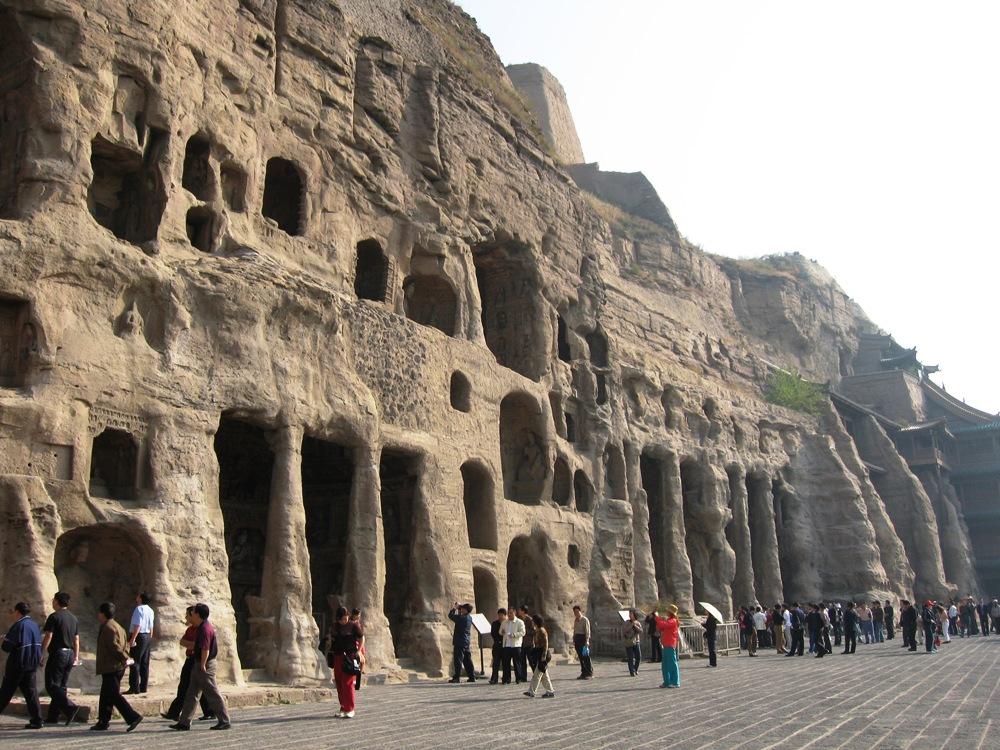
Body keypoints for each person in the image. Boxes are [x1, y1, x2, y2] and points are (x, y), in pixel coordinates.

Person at [170, 603, 232, 729]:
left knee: (212, 692)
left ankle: (224, 720)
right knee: (192, 693)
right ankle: (184, 722)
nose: (191, 614)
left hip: (205, 664)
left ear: (198, 614)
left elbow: (205, 649)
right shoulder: (201, 627)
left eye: (193, 612)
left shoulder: (205, 629)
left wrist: (203, 664)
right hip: (198, 663)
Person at [93, 602, 142, 732]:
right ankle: (103, 721)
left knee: (113, 694)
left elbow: (115, 647)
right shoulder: (118, 626)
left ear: (103, 613)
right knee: (106, 695)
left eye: (99, 612)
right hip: (114, 666)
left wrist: (125, 658)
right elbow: (125, 645)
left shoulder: (108, 628)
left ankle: (132, 717)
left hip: (112, 666)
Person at [161, 606, 213, 722]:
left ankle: (175, 713)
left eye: (188, 615)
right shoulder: (190, 630)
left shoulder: (202, 629)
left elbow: (201, 647)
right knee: (192, 686)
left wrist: (201, 661)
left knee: (193, 687)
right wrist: (193, 645)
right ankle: (208, 711)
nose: (186, 617)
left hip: (197, 660)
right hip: (190, 659)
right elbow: (183, 642)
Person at [0, 601, 43, 729]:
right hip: (32, 663)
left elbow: (7, 646)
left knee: (6, 692)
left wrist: (3, 640)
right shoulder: (34, 625)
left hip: (18, 663)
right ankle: (37, 720)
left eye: (14, 611)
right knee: (31, 692)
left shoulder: (19, 625)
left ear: (18, 612)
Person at [41, 592, 80, 725]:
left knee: (51, 685)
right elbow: (76, 640)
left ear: (57, 601)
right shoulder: (73, 618)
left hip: (58, 654)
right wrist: (76, 656)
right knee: (61, 686)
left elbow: (49, 636)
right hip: (70, 653)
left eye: (53, 600)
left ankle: (70, 707)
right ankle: (53, 716)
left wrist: (41, 652)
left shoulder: (54, 616)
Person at [126, 592, 154, 694]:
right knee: (145, 663)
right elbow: (151, 626)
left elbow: (137, 625)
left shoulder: (139, 609)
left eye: (138, 596)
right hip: (147, 636)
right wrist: (149, 638)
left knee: (135, 662)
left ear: (141, 598)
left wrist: (133, 639)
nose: (136, 597)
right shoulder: (150, 610)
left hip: (139, 636)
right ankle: (143, 687)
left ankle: (134, 688)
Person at [523, 614, 554, 698]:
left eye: (533, 621)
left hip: (543, 655)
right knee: (544, 675)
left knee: (537, 674)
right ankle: (550, 691)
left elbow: (545, 645)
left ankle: (532, 692)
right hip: (539, 654)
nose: (532, 622)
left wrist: (543, 657)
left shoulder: (542, 631)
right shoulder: (537, 630)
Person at [447, 603, 476, 683]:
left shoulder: (461, 618)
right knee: (467, 660)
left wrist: (454, 608)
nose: (461, 609)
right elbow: (460, 615)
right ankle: (472, 676)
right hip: (466, 641)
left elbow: (450, 616)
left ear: (466, 610)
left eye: (463, 608)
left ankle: (457, 677)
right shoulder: (469, 617)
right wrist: (460, 608)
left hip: (459, 642)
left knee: (458, 660)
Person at [655, 604, 680, 688]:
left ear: (670, 612)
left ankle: (675, 682)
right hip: (666, 644)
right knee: (665, 665)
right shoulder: (669, 620)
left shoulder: (673, 621)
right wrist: (659, 622)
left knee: (672, 664)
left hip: (670, 644)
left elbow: (664, 625)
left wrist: (657, 618)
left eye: (668, 611)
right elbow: (660, 627)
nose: (666, 612)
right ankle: (667, 681)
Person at [500, 607, 525, 684]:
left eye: (511, 613)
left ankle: (518, 678)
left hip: (516, 645)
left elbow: (523, 632)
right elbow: (500, 632)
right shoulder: (504, 622)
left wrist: (514, 635)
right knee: (506, 663)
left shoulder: (519, 622)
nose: (509, 614)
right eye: (508, 613)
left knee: (516, 663)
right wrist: (502, 632)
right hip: (506, 645)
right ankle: (507, 679)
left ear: (515, 613)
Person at [572, 605, 593, 679]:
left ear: (580, 611)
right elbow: (575, 631)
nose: (576, 613)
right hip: (577, 639)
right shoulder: (575, 620)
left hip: (583, 639)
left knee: (586, 656)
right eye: (575, 612)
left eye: (577, 611)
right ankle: (583, 673)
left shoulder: (585, 620)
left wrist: (587, 641)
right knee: (580, 658)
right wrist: (574, 639)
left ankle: (589, 673)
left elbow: (587, 631)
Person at [623, 609, 643, 676]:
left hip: (636, 641)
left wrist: (636, 626)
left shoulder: (638, 622)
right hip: (629, 641)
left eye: (631, 614)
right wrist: (631, 625)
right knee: (630, 657)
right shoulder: (626, 622)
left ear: (634, 615)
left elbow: (641, 631)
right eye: (629, 614)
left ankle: (635, 669)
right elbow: (624, 631)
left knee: (638, 657)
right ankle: (631, 672)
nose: (630, 615)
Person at [517, 605, 534, 683]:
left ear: (523, 611)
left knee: (531, 661)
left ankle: (536, 676)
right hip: (521, 643)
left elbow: (533, 631)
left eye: (520, 610)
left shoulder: (529, 619)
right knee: (522, 661)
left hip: (529, 643)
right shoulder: (519, 619)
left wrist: (524, 631)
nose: (518, 611)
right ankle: (523, 677)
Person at [350, 609, 366, 690]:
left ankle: (358, 677)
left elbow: (361, 635)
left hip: (359, 643)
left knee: (361, 661)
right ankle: (356, 679)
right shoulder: (352, 623)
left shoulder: (357, 622)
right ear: (354, 615)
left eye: (359, 615)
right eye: (358, 615)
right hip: (354, 644)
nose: (359, 616)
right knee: (358, 662)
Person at [489, 608, 505, 684]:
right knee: (495, 663)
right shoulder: (494, 623)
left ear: (505, 615)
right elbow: (493, 633)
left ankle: (505, 678)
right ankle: (494, 678)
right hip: (496, 645)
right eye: (499, 615)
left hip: (505, 646)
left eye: (501, 615)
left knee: (505, 663)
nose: (500, 616)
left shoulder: (506, 623)